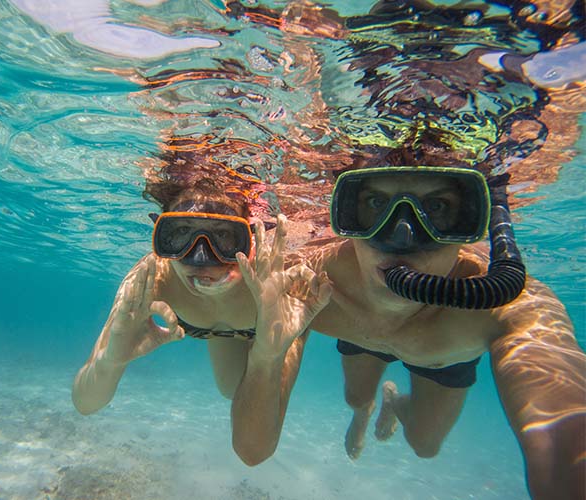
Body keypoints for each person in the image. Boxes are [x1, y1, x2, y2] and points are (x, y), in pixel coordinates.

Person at [230, 163, 585, 500]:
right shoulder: (311, 283)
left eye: (438, 206)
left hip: (439, 357)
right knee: (356, 398)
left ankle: (395, 403)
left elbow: (563, 430)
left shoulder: (504, 304)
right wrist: (266, 352)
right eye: (375, 204)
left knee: (424, 445)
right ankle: (363, 411)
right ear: (347, 216)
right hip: (360, 336)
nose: (402, 235)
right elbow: (252, 450)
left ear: (472, 220)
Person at [72, 160, 331, 415]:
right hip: (225, 331)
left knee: (353, 393)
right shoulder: (150, 279)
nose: (201, 259)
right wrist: (110, 362)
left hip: (270, 328)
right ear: (163, 235)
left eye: (225, 236)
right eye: (182, 233)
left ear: (251, 237)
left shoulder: (280, 272)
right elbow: (85, 404)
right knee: (231, 392)